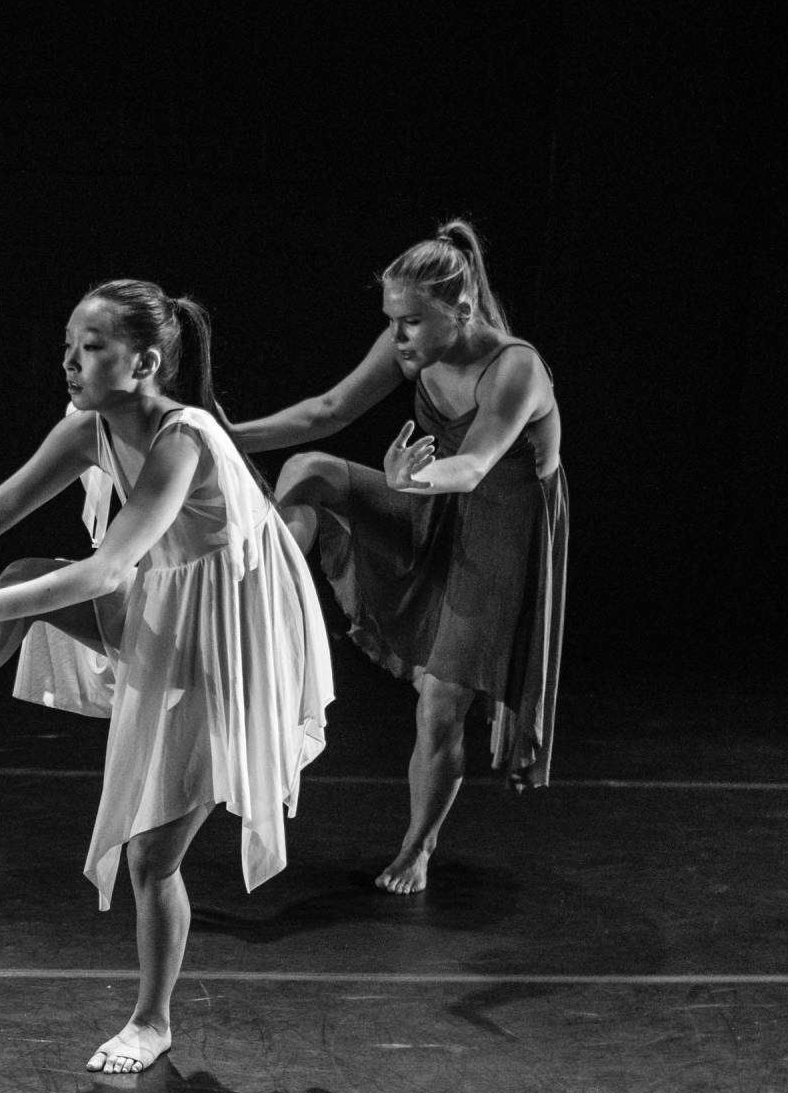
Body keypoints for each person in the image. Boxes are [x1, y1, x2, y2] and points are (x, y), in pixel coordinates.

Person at [0, 280, 331, 1074]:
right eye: (68, 349)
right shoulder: (88, 430)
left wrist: (2, 604)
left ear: (145, 362)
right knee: (20, 565)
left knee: (151, 858)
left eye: (91, 348)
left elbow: (109, 566)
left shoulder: (185, 438)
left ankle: (153, 1021)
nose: (72, 364)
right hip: (166, 604)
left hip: (229, 640)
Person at [229, 219, 567, 895]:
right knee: (309, 468)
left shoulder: (516, 367)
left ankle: (418, 848)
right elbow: (327, 409)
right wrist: (227, 433)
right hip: (431, 499)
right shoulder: (411, 342)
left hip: (503, 530)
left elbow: (471, 466)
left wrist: (411, 479)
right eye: (392, 321)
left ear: (461, 311)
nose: (398, 336)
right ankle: (259, 602)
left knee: (441, 700)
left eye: (410, 322)